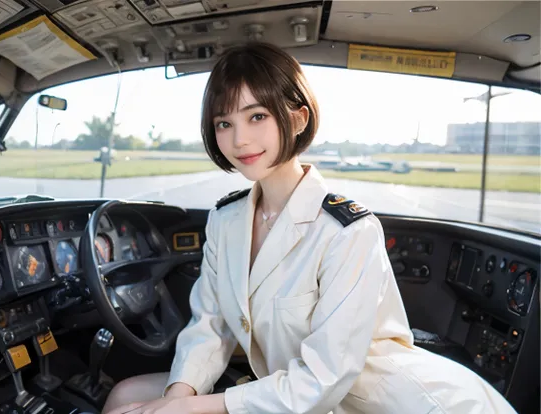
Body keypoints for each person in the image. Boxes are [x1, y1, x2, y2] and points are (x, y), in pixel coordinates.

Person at [102, 42, 516, 414]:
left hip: (367, 401)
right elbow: (212, 325)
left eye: (257, 116)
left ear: (298, 118)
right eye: (224, 123)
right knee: (126, 397)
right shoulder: (226, 220)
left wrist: (198, 409)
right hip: (279, 389)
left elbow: (325, 377)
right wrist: (180, 395)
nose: (239, 139)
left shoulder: (348, 231)